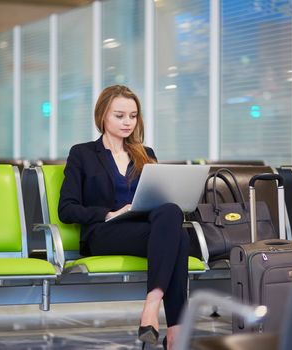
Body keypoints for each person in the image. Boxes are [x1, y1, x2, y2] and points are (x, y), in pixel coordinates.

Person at [58, 85, 190, 350]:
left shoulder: (146, 154)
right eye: (119, 115)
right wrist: (109, 213)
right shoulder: (82, 154)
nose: (127, 122)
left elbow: (159, 199)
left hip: (143, 230)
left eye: (133, 115)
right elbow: (67, 208)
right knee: (180, 238)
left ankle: (153, 307)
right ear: (103, 116)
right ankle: (175, 329)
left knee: (172, 213)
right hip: (104, 233)